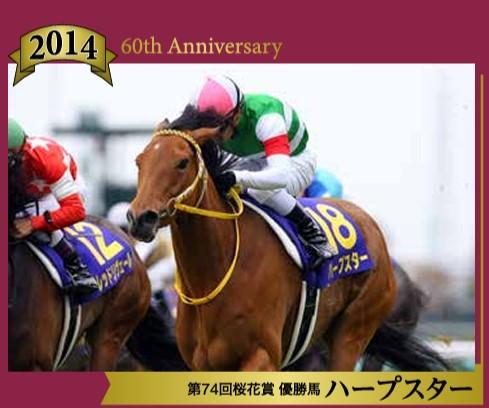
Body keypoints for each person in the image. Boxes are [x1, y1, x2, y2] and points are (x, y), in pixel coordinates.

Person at [189, 75, 337, 268]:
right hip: (253, 160)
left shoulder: (267, 119)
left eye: (219, 128)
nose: (213, 135)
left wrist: (237, 177)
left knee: (259, 189)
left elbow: (279, 177)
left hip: (294, 161)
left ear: (237, 116)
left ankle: (312, 233)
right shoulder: (207, 115)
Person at [8, 118, 98, 295]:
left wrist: (34, 223)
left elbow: (76, 210)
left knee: (27, 221)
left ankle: (77, 268)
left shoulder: (47, 158)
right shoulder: (13, 156)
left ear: (16, 152)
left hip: (56, 193)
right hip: (26, 191)